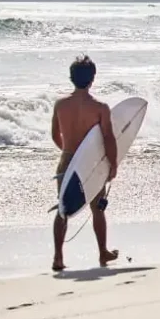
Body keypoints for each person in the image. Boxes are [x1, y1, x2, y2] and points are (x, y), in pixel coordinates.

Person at [51, 55, 119, 272]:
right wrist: (112, 164)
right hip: (90, 163)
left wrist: (68, 152)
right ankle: (103, 253)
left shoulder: (60, 105)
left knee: (62, 208)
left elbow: (54, 134)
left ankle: (58, 257)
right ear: (92, 79)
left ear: (71, 78)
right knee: (97, 208)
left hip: (67, 160)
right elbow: (108, 138)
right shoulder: (100, 107)